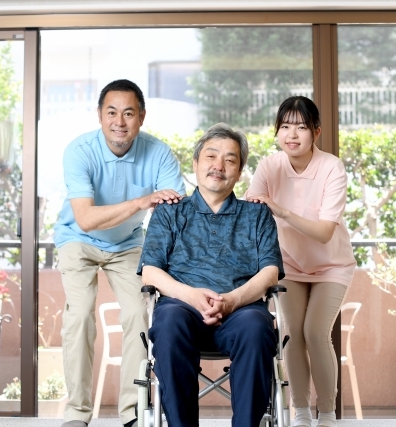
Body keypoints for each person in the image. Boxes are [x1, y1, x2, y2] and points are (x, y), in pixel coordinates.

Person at [53, 79, 187, 427]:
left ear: (141, 117)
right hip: (78, 239)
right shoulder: (79, 151)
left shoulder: (158, 153)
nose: (120, 121)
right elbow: (85, 218)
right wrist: (142, 202)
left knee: (138, 315)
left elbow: (178, 212)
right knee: (79, 315)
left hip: (127, 243)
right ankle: (77, 413)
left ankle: (132, 412)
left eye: (129, 113)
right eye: (112, 112)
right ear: (99, 115)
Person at [137, 123, 285, 427]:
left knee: (257, 327)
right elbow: (150, 271)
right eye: (211, 156)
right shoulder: (169, 211)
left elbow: (270, 271)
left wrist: (231, 301)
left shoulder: (256, 214)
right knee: (168, 322)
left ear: (239, 172)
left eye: (230, 160)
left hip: (241, 311)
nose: (219, 166)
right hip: (181, 308)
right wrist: (191, 296)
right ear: (195, 163)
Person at [246, 96, 356, 427]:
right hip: (289, 265)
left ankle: (327, 413)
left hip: (331, 265)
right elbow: (250, 213)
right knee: (292, 333)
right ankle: (302, 412)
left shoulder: (331, 167)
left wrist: (281, 211)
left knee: (315, 331)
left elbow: (324, 232)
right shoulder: (269, 166)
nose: (291, 134)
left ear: (316, 132)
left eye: (301, 127)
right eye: (285, 126)